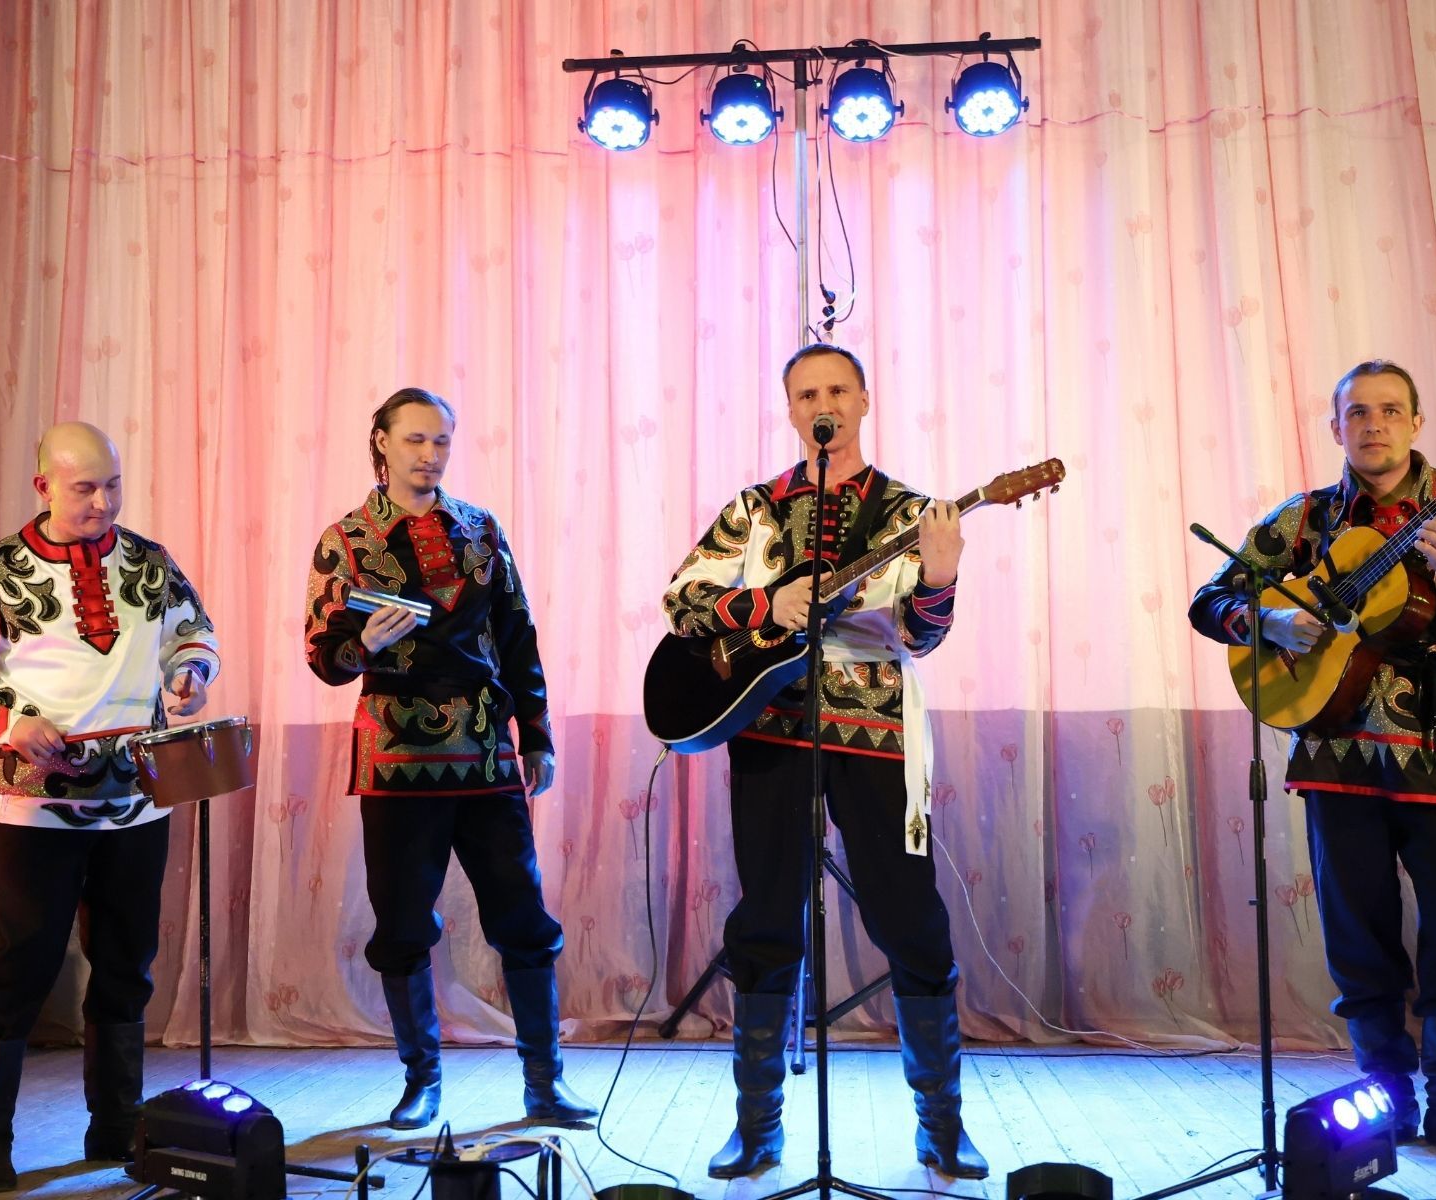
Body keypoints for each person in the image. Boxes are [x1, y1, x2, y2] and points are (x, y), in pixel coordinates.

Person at [1188, 359, 1436, 1160]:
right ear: (1335, 426)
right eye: (1357, 413)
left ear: (1415, 423)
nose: (1373, 425)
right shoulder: (1304, 519)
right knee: (1357, 935)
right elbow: (1211, 600)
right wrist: (1270, 622)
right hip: (1333, 752)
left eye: (1389, 411)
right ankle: (1386, 1101)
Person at [661, 344, 986, 1179]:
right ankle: (757, 1128)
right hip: (769, 726)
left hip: (874, 733)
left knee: (909, 916)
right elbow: (682, 599)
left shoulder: (910, 510)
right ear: (790, 410)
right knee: (766, 917)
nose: (822, 404)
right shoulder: (755, 508)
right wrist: (764, 602)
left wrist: (939, 577)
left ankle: (941, 1125)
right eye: (806, 394)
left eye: (836, 389)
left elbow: (921, 636)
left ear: (864, 401)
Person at [0, 422, 219, 1190]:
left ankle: (115, 1126)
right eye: (85, 488)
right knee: (21, 964)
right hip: (36, 806)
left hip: (138, 801)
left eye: (113, 485)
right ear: (44, 486)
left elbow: (192, 635)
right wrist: (3, 723)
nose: (103, 502)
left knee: (126, 962)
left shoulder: (149, 562)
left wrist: (191, 674)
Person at [304, 387, 593, 1131]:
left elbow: (518, 634)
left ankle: (544, 1084)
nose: (430, 455)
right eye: (415, 440)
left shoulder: (481, 529)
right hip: (396, 758)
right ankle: (421, 1083)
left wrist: (537, 734)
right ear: (381, 441)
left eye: (441, 442)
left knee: (523, 918)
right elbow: (323, 656)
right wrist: (360, 644)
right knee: (403, 925)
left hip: (488, 750)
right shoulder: (345, 540)